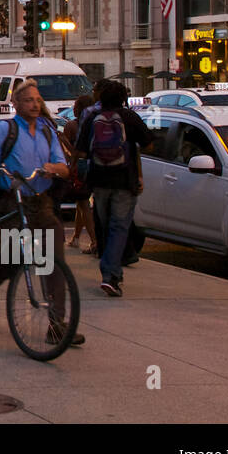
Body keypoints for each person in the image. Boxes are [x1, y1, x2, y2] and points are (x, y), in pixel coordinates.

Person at [0, 80, 85, 348]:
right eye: (29, 100)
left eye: (37, 100)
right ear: (17, 104)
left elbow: (64, 167)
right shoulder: (5, 129)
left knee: (53, 261)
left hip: (41, 202)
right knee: (12, 260)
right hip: (13, 201)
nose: (35, 104)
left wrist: (54, 168)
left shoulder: (47, 131)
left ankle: (56, 325)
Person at [77, 79, 153, 297]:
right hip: (124, 182)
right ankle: (110, 274)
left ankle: (111, 271)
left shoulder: (92, 118)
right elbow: (148, 144)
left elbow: (81, 152)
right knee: (119, 227)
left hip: (99, 181)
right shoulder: (129, 117)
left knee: (105, 224)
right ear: (123, 99)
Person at [61, 93, 98, 254]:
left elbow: (73, 152)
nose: (73, 109)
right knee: (81, 205)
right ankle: (76, 237)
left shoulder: (71, 126)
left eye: (76, 106)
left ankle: (94, 240)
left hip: (80, 167)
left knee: (83, 204)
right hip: (95, 165)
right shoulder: (96, 123)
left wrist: (63, 140)